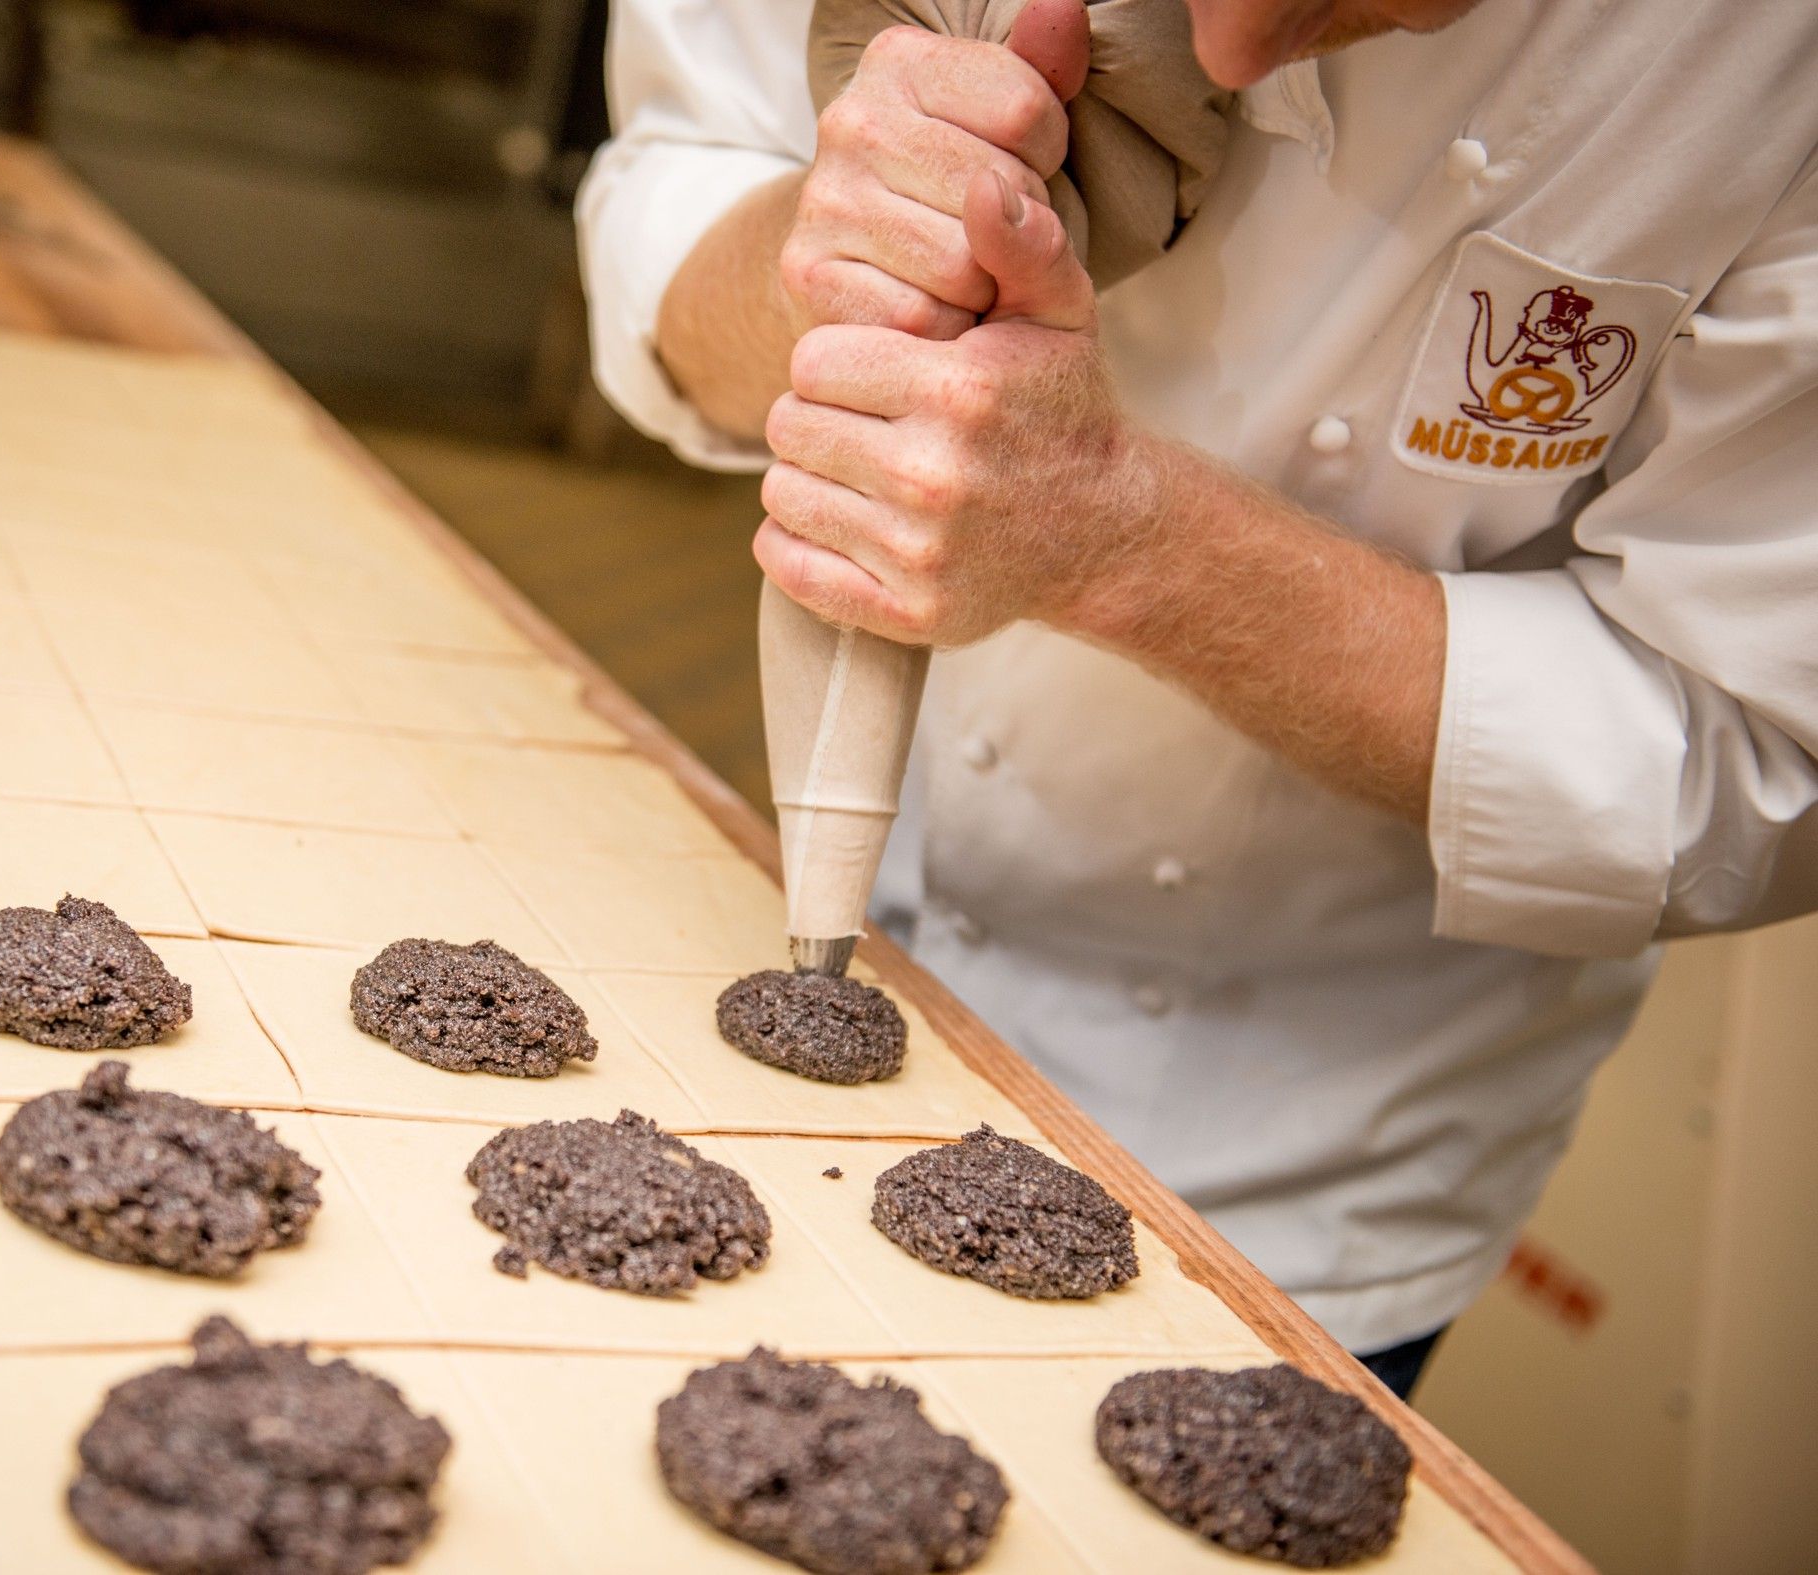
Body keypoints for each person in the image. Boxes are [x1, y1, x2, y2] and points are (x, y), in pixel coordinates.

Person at [575, 0, 1818, 1399]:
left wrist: (1128, 543)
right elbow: (676, 180)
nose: (1222, 55)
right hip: (834, 952)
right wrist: (828, 258)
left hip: (1297, 1173)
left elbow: (1747, 759)